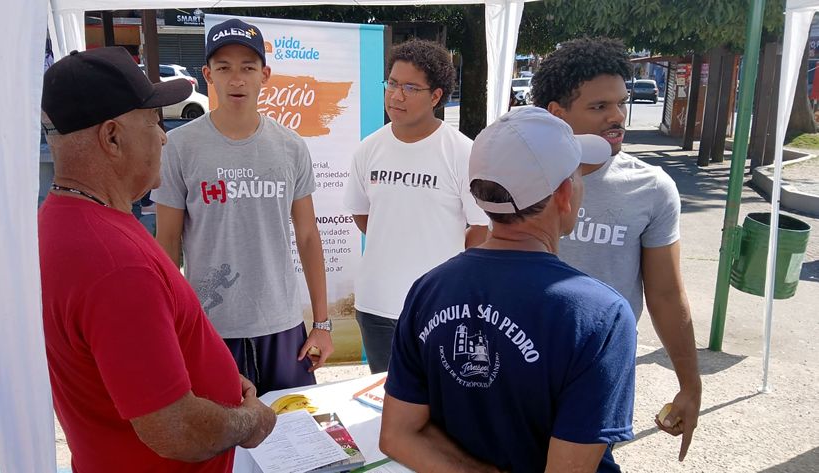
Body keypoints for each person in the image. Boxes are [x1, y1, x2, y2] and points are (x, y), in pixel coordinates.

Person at [39, 47, 276, 472]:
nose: (164, 135)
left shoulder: (70, 219)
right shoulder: (113, 261)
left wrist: (216, 383)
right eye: (152, 121)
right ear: (112, 137)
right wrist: (247, 421)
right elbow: (175, 429)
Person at [379, 107, 636, 472]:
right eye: (577, 175)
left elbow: (398, 435)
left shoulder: (429, 289)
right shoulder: (601, 316)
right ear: (564, 194)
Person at [532, 37, 701, 461]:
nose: (617, 117)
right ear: (556, 113)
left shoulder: (652, 188)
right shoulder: (520, 173)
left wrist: (690, 383)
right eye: (599, 107)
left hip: (601, 369)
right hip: (520, 357)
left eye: (621, 103)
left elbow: (665, 293)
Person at [153, 18, 332, 395]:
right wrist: (167, 327)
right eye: (224, 68)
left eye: (248, 68)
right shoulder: (180, 147)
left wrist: (322, 323)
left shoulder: (290, 146)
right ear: (207, 75)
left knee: (291, 437)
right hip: (209, 328)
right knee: (220, 443)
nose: (237, 79)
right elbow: (167, 242)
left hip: (282, 327)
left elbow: (308, 235)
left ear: (264, 74)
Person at [343, 39, 489, 374]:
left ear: (436, 96)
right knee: (382, 404)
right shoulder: (369, 149)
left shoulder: (462, 152)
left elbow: (480, 228)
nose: (396, 96)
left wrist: (446, 266)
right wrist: (395, 239)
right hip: (376, 305)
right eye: (392, 83)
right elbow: (362, 214)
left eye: (410, 87)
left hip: (440, 307)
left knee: (439, 408)